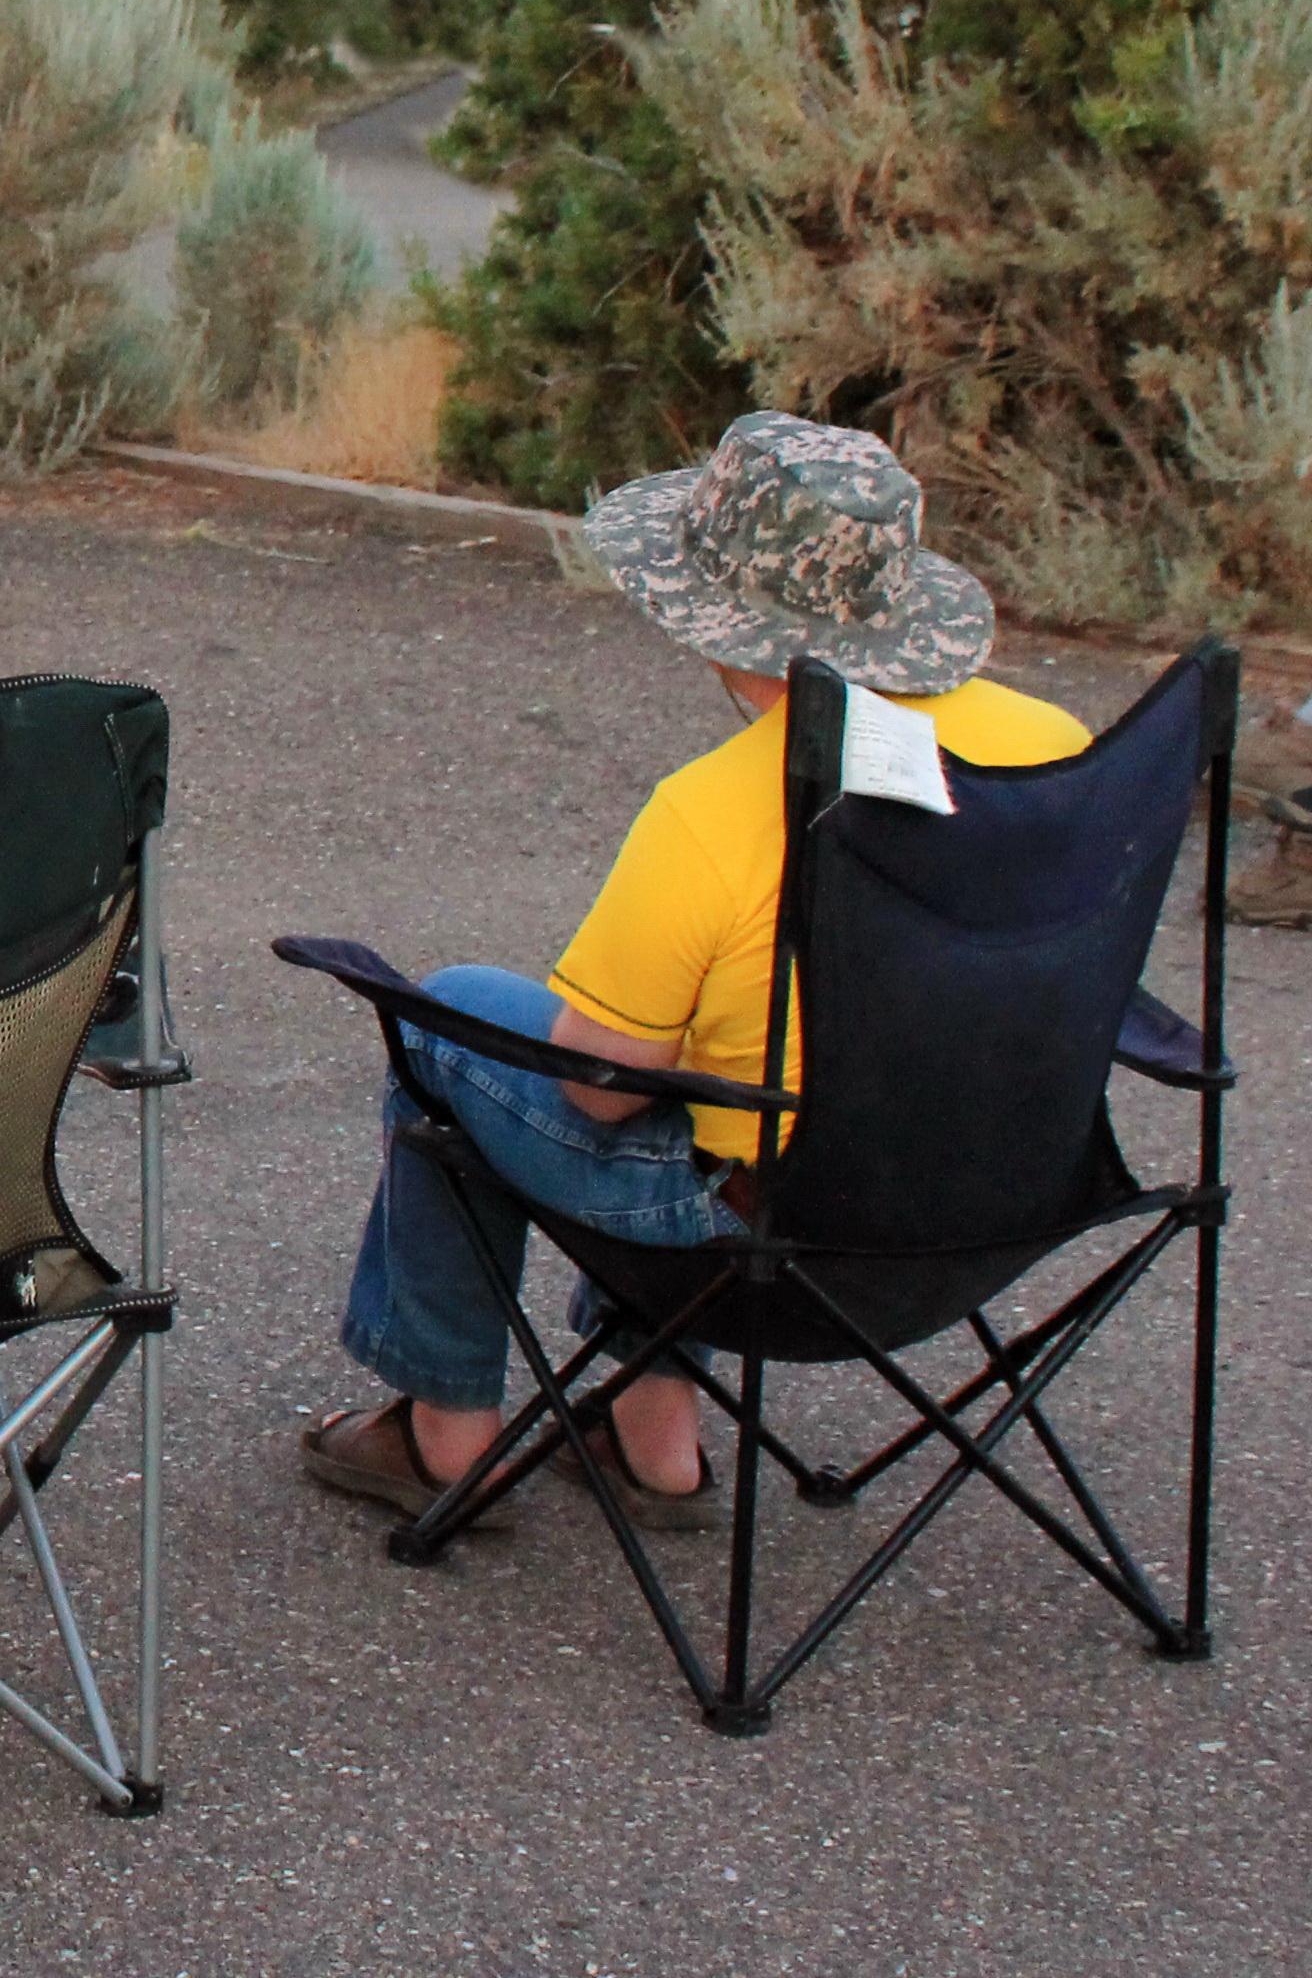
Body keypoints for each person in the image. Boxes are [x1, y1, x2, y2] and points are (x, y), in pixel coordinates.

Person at [301, 413, 1090, 1532]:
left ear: (726, 627)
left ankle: (447, 1434)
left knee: (452, 1024)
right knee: (735, 1076)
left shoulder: (717, 812)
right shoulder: (1055, 750)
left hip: (762, 1232)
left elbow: (599, 1093)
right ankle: (651, 1434)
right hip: (993, 1195)